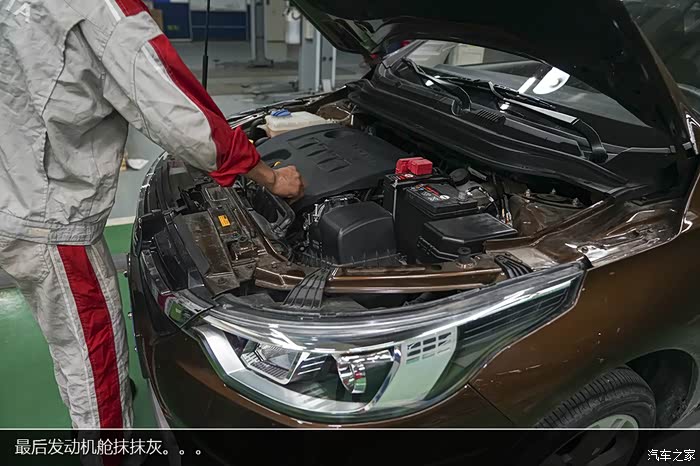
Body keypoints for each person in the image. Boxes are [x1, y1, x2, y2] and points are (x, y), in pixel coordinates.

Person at [0, 0, 304, 434]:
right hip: (49, 218)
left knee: (68, 335)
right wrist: (270, 178)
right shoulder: (105, 8)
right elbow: (179, 113)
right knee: (93, 357)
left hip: (14, 186)